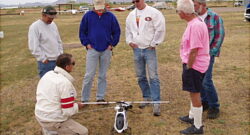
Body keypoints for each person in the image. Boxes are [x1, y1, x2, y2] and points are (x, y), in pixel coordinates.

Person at [125, 0, 165, 116]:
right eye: (134, 1)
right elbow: (128, 31)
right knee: (140, 76)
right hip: (136, 50)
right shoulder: (131, 15)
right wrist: (130, 42)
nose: (136, 3)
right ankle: (147, 97)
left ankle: (156, 102)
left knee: (153, 76)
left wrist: (154, 43)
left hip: (149, 49)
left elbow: (160, 29)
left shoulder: (154, 13)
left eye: (138, 0)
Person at [176, 0, 210, 134]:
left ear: (183, 13)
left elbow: (194, 50)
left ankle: (197, 126)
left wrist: (189, 66)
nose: (178, 13)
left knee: (195, 94)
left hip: (194, 65)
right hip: (197, 64)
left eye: (178, 11)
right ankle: (192, 116)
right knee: (193, 91)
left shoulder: (195, 26)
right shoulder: (195, 22)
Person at [35, 53, 88, 135]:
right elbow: (68, 111)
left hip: (39, 116)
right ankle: (50, 131)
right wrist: (77, 106)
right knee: (83, 132)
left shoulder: (48, 74)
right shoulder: (65, 83)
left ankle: (49, 129)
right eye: (73, 63)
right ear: (67, 67)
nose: (74, 66)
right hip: (51, 121)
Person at [79, 0, 121, 102]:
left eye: (101, 7)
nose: (100, 10)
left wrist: (112, 44)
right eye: (98, 7)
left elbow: (117, 31)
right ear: (94, 6)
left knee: (102, 75)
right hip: (92, 50)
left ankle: (100, 97)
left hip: (106, 50)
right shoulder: (87, 16)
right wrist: (87, 44)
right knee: (89, 75)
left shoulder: (110, 16)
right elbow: (82, 31)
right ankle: (84, 99)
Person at [193, 0, 225, 119]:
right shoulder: (194, 18)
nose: (194, 8)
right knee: (200, 79)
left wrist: (210, 53)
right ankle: (204, 102)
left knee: (206, 81)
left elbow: (219, 35)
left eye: (195, 5)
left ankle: (214, 106)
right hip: (196, 55)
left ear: (203, 5)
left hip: (208, 55)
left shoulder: (215, 17)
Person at [28, 5, 63, 78]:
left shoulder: (53, 25)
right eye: (49, 18)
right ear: (43, 15)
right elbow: (33, 46)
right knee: (46, 86)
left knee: (57, 84)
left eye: (53, 18)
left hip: (57, 60)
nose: (51, 20)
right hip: (46, 63)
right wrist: (43, 59)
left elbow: (58, 41)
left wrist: (60, 54)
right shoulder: (35, 27)